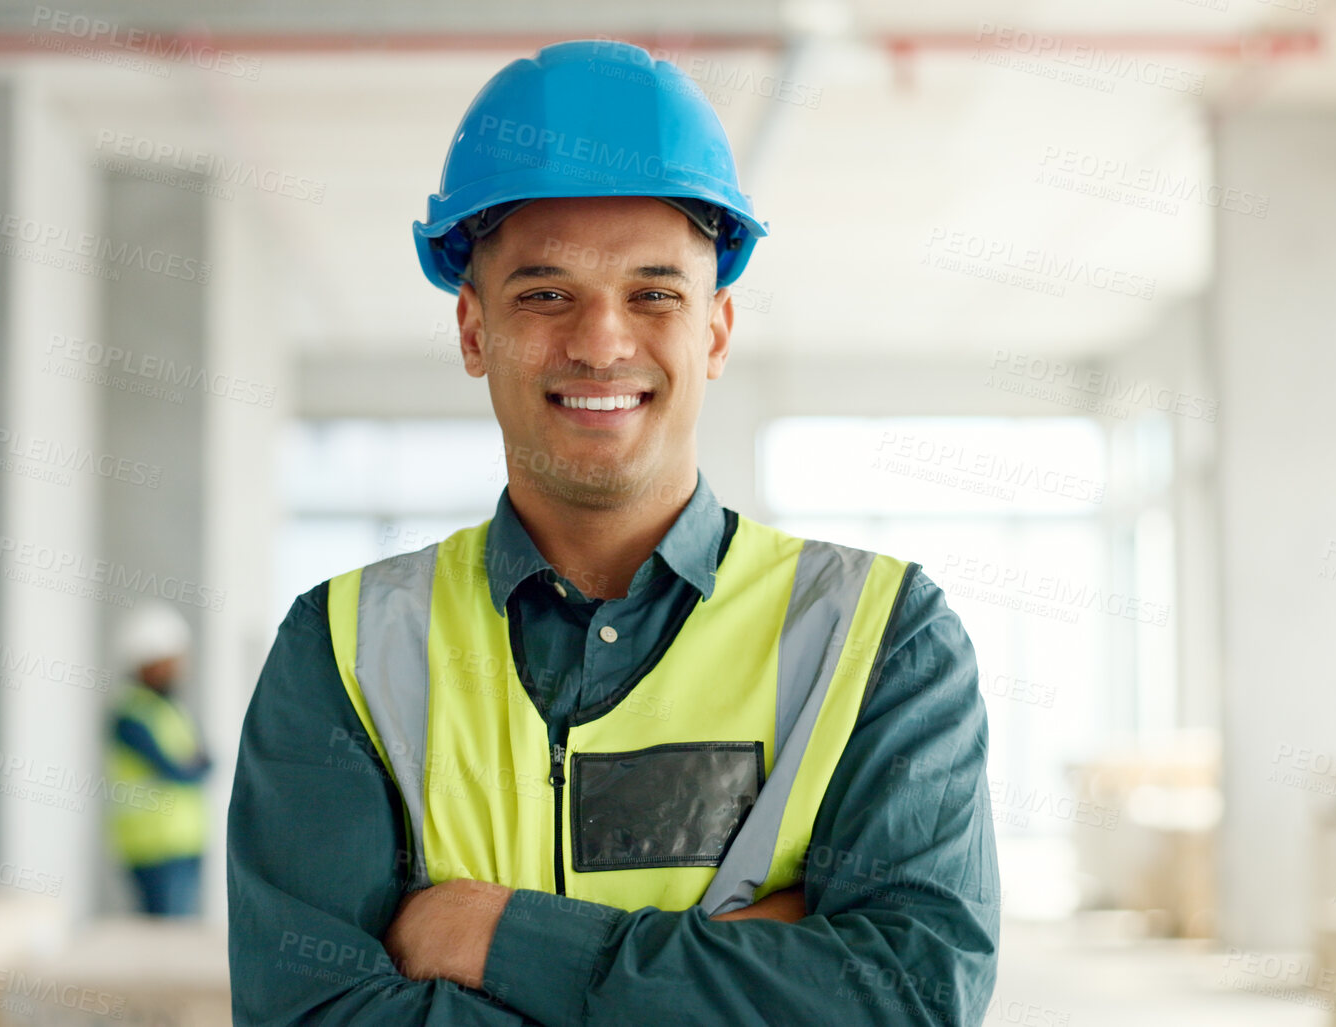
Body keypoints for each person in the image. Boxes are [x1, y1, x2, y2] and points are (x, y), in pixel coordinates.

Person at [228, 39, 998, 1025]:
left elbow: (910, 1001)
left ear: (714, 331)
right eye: (545, 294)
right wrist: (759, 969)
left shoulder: (884, 638)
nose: (599, 341)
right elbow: (311, 1013)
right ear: (473, 331)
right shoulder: (341, 650)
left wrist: (494, 937)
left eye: (654, 294)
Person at [109, 600, 212, 917]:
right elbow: (180, 771)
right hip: (151, 847)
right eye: (170, 659)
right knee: (160, 941)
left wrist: (192, 766)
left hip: (187, 840)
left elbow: (207, 763)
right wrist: (190, 765)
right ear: (146, 663)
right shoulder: (130, 716)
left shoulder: (171, 710)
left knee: (177, 938)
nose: (178, 667)